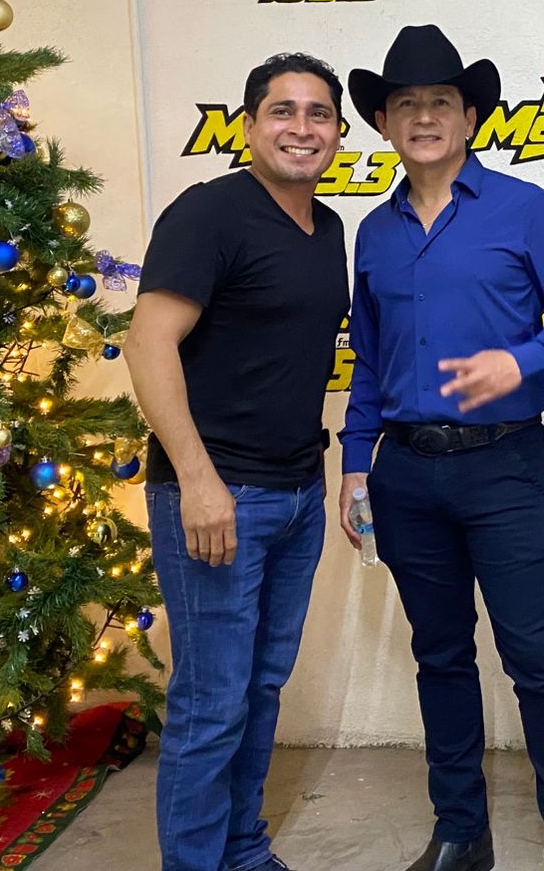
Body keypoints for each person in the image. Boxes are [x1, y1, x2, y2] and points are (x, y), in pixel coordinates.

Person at [339, 24, 544, 871]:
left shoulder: (524, 208)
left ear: (469, 117)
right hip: (405, 475)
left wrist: (522, 362)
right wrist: (355, 464)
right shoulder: (374, 233)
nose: (424, 117)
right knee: (441, 657)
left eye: (441, 102)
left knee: (538, 658)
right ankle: (461, 833)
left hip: (504, 467)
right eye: (407, 104)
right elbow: (370, 359)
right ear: (384, 122)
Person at [124, 52, 350, 871]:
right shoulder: (210, 213)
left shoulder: (328, 229)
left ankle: (243, 850)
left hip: (295, 492)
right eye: (283, 110)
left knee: (258, 690)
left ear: (338, 132)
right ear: (250, 126)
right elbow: (147, 343)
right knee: (210, 702)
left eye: (319, 113)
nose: (302, 127)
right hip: (218, 495)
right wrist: (197, 480)